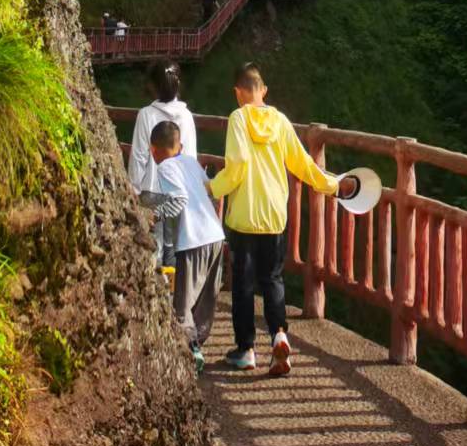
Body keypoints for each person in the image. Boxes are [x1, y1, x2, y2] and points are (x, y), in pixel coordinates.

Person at [209, 62, 358, 375]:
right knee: (273, 279)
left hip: (243, 217)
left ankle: (246, 349)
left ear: (238, 93)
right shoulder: (280, 121)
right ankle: (279, 334)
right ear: (263, 90)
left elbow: (236, 167)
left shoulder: (238, 118)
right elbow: (303, 165)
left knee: (243, 285)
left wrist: (211, 187)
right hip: (275, 215)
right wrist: (332, 186)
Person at [142, 120, 224, 375]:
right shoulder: (190, 162)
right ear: (180, 145)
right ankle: (197, 345)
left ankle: (191, 351)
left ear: (153, 150)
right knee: (205, 301)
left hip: (193, 240)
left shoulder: (165, 167)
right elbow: (209, 191)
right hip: (216, 236)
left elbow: (178, 200)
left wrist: (154, 215)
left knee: (182, 304)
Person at [129, 63, 200, 263]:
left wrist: (134, 189)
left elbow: (139, 156)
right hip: (178, 193)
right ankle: (173, 291)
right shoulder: (186, 117)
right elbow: (191, 158)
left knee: (152, 249)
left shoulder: (146, 114)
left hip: (151, 191)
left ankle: (153, 290)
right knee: (176, 249)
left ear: (154, 87)